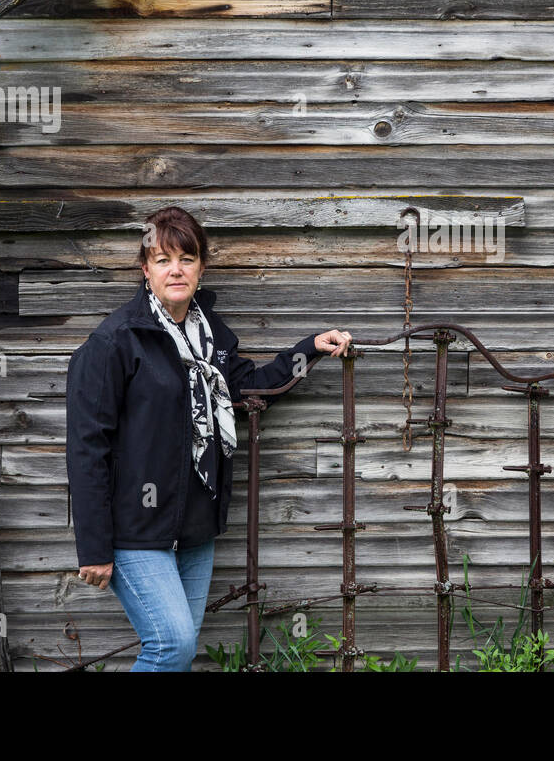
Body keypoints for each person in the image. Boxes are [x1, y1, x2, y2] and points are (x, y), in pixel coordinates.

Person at [66, 206, 352, 671]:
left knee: (177, 650)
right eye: (162, 259)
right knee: (171, 647)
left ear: (201, 267)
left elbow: (248, 390)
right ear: (145, 270)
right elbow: (86, 445)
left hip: (196, 527)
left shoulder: (210, 335)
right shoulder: (117, 341)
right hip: (135, 530)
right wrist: (94, 546)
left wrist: (308, 350)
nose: (175, 269)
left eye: (187, 258)